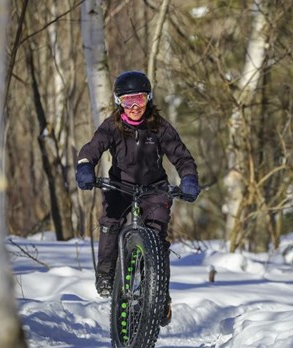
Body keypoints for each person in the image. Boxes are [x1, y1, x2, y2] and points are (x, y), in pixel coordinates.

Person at [75, 71, 201, 326]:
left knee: (156, 237)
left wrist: (188, 179)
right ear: (118, 102)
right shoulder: (111, 126)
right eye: (128, 100)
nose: (134, 107)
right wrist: (85, 168)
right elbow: (91, 149)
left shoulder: (160, 127)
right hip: (120, 187)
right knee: (110, 223)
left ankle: (158, 293)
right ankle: (107, 275)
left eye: (140, 100)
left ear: (149, 99)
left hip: (154, 190)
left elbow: (182, 157)